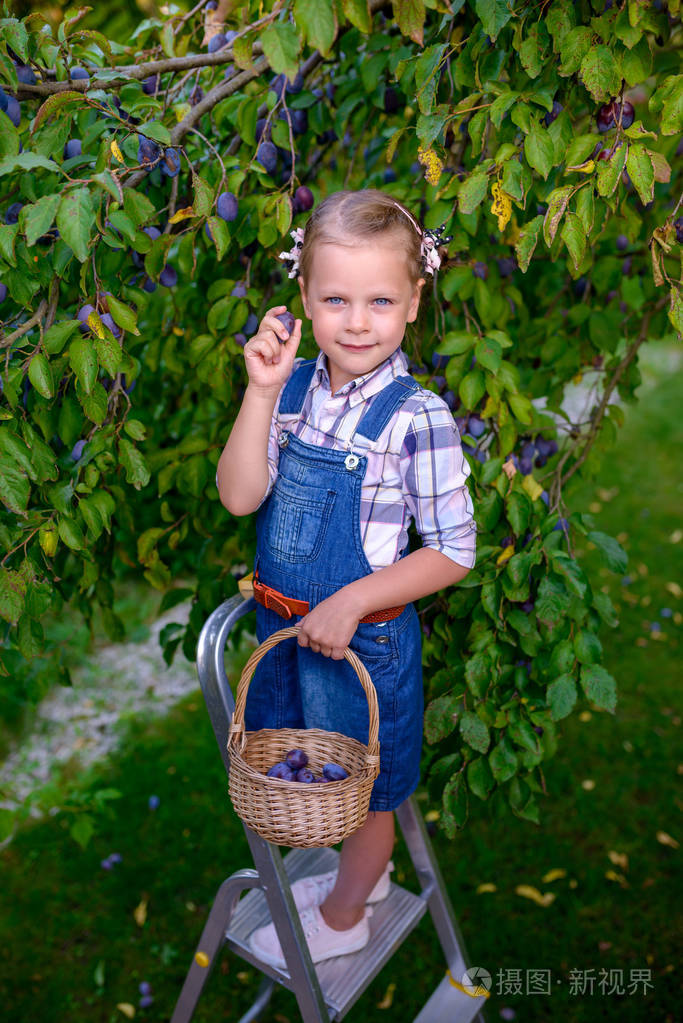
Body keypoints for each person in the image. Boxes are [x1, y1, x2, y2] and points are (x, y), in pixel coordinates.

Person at [216, 189, 476, 969]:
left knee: (363, 798)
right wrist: (260, 391)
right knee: (310, 777)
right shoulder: (291, 391)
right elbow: (239, 496)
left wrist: (353, 599)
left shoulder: (414, 416)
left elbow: (454, 550)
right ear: (303, 298)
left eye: (379, 301)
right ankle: (350, 880)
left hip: (363, 647)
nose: (356, 322)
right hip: (287, 636)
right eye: (335, 299)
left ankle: (343, 914)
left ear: (413, 302)